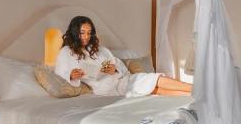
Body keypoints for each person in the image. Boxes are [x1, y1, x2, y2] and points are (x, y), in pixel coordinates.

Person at [54, 15, 192, 97]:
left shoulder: (98, 49)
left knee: (152, 82)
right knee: (152, 87)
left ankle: (194, 91)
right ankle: (197, 92)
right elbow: (60, 73)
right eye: (82, 32)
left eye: (89, 33)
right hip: (104, 90)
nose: (86, 36)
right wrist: (72, 75)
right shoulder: (66, 52)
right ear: (74, 32)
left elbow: (118, 65)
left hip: (123, 81)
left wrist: (114, 69)